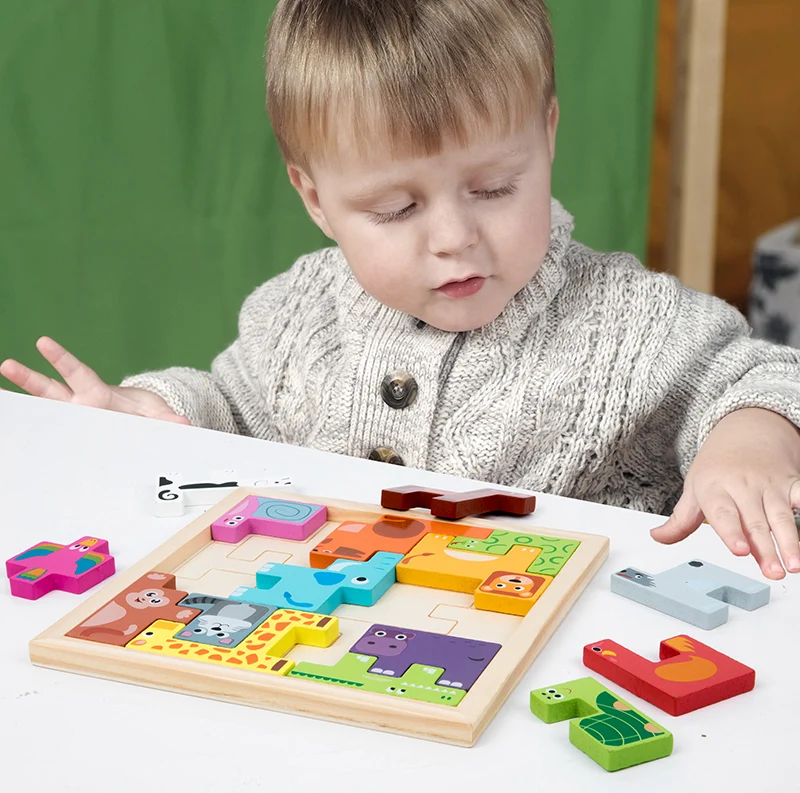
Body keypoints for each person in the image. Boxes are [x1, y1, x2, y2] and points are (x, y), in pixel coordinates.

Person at [3, 0, 799, 580]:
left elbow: (757, 375)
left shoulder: (630, 323)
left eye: (493, 187)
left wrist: (751, 443)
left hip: (560, 671)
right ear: (315, 198)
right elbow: (232, 405)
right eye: (397, 208)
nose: (453, 236)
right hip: (341, 651)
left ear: (548, 134)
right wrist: (155, 410)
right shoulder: (297, 315)